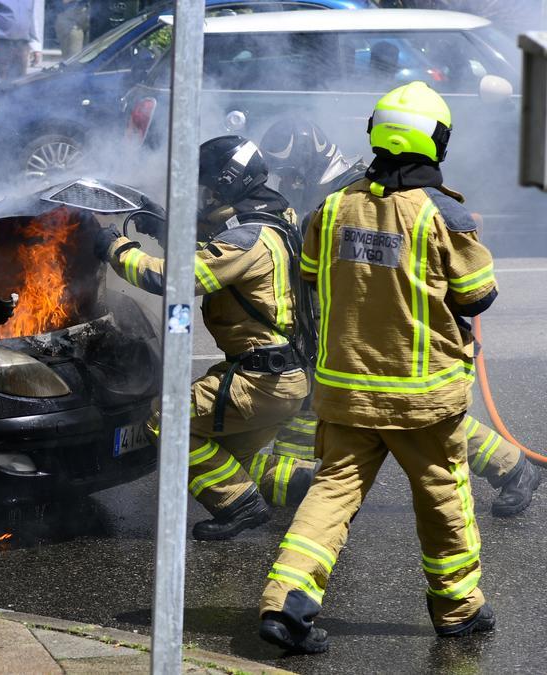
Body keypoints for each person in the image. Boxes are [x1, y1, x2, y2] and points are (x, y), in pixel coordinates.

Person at [258, 82, 499, 654]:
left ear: (375, 133)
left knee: (331, 494)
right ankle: (457, 609)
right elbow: (477, 293)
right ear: (436, 141)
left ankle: (285, 604)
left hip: (345, 391)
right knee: (443, 495)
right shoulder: (444, 212)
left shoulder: (334, 205)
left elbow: (314, 273)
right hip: (422, 401)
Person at [260, 115, 542, 518]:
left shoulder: (360, 189)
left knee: (418, 419)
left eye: (290, 173)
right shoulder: (327, 191)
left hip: (385, 324)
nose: (286, 183)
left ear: (308, 160)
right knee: (327, 408)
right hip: (336, 326)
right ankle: (293, 490)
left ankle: (514, 469)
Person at [96, 136, 319, 541]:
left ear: (227, 184)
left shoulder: (246, 241)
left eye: (207, 188)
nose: (202, 198)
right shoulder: (276, 215)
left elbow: (170, 277)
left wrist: (115, 247)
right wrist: (168, 229)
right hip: (288, 377)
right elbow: (214, 245)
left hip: (259, 381)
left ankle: (241, 506)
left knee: (167, 422)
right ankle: (269, 495)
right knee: (228, 460)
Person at [0, 0, 43, 80]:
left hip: (22, 45)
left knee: (19, 81)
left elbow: (32, 18)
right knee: (0, 80)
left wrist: (36, 47)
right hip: (0, 43)